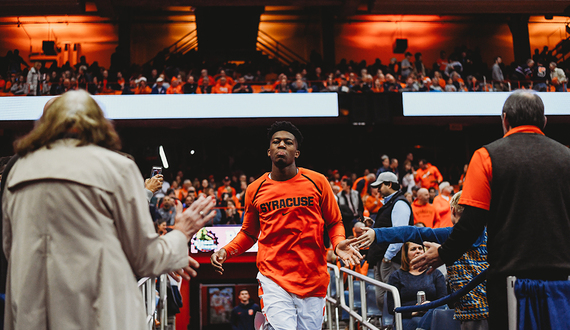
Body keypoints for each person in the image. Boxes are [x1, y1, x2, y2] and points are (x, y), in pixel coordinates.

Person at [1, 90, 217, 329]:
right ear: (99, 124)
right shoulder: (117, 168)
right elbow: (146, 258)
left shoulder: (18, 169)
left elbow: (9, 248)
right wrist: (181, 233)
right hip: (96, 316)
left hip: (30, 316)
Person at [411, 90, 570, 329]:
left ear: (504, 119)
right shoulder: (567, 157)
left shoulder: (485, 156)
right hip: (562, 281)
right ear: (544, 121)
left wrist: (443, 253)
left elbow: (471, 223)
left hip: (510, 283)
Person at [210, 121, 362, 330]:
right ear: (269, 151)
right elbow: (249, 233)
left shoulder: (318, 182)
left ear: (296, 152)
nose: (282, 145)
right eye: (276, 142)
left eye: (288, 142)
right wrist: (226, 251)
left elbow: (334, 222)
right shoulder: (255, 189)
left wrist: (338, 244)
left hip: (313, 278)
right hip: (273, 277)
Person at [356, 191, 489, 330]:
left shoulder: (449, 236)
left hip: (471, 314)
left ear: (453, 210)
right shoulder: (492, 237)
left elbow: (413, 232)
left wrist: (377, 233)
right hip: (498, 309)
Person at [367, 172, 414, 315]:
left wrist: (387, 257)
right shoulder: (391, 203)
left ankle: (396, 325)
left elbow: (400, 233)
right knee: (382, 300)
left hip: (390, 260)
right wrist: (374, 225)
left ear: (389, 184)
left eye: (380, 186)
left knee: (391, 299)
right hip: (382, 259)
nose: (377, 190)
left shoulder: (399, 203)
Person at [387, 242, 447, 330]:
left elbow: (443, 300)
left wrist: (430, 305)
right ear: (406, 254)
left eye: (420, 248)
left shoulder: (435, 273)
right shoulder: (396, 276)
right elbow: (391, 307)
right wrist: (413, 311)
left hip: (431, 315)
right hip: (407, 317)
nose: (418, 251)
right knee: (415, 322)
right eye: (413, 249)